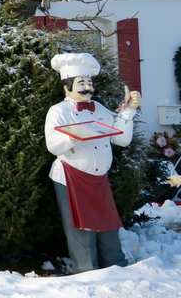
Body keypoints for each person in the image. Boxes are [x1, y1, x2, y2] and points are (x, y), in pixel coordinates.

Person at [45, 52, 140, 273]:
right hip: (70, 177)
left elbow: (121, 139)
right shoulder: (58, 111)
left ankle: (116, 266)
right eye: (81, 82)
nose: (87, 87)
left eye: (89, 82)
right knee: (80, 230)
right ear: (67, 87)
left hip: (99, 180)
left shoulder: (99, 109)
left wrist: (128, 112)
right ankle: (86, 272)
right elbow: (53, 146)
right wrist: (74, 135)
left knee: (108, 226)